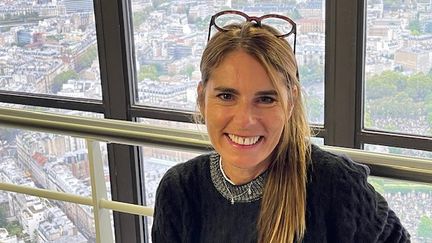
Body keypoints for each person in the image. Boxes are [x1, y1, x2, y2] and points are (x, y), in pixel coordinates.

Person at [151, 10, 410, 243]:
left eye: (266, 99)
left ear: (290, 103)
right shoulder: (179, 191)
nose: (244, 120)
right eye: (227, 96)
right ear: (201, 99)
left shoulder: (335, 186)